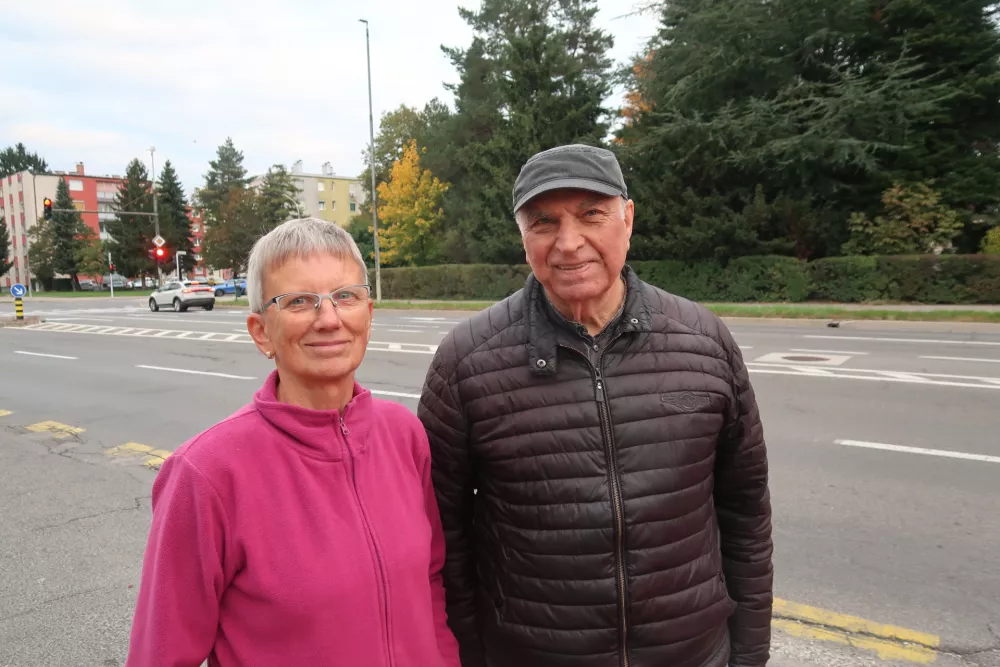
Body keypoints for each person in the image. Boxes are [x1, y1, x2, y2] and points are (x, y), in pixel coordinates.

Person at [419, 145, 772, 667]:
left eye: (591, 214)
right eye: (544, 222)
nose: (568, 242)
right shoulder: (466, 361)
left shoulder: (704, 340)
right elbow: (443, 539)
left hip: (693, 654)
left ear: (627, 219)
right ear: (523, 237)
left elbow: (746, 513)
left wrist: (749, 654)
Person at [127, 218, 460, 666]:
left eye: (346, 296)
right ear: (261, 331)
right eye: (299, 301)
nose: (329, 319)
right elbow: (160, 655)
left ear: (368, 314)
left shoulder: (404, 435)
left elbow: (430, 582)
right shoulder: (206, 473)